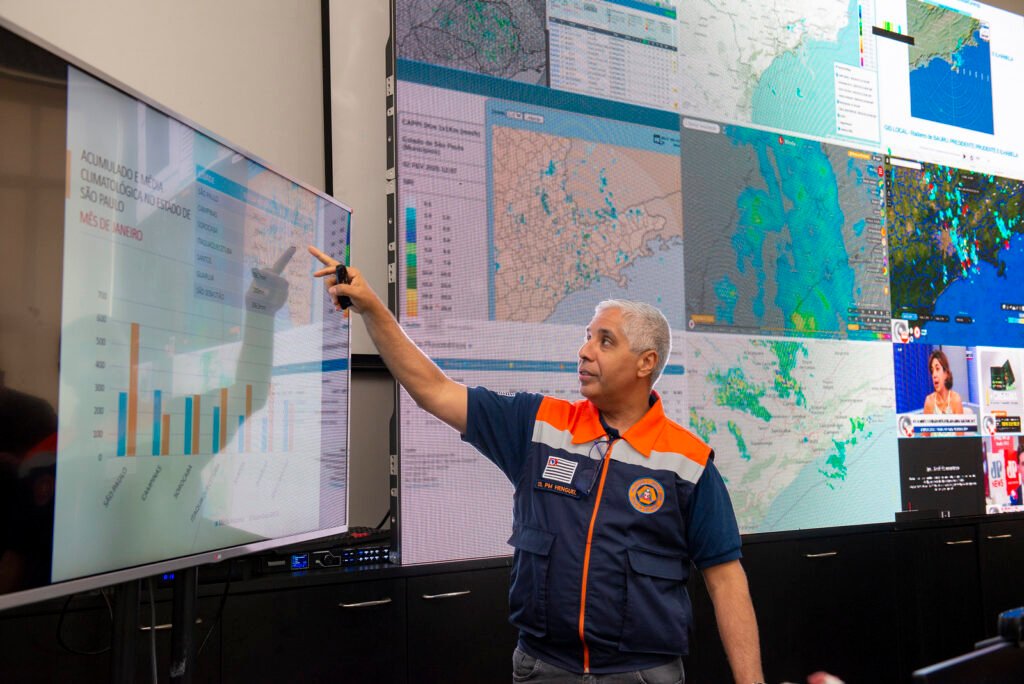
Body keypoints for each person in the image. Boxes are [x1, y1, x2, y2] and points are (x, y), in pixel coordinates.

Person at [309, 247, 764, 684]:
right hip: (544, 668)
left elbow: (726, 582)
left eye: (605, 341)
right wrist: (372, 308)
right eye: (587, 336)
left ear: (646, 363)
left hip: (643, 674)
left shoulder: (687, 463)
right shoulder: (538, 425)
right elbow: (434, 389)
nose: (585, 350)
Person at [923, 349, 963, 415]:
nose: (934, 375)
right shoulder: (929, 401)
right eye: (932, 371)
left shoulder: (956, 400)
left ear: (946, 374)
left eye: (937, 369)